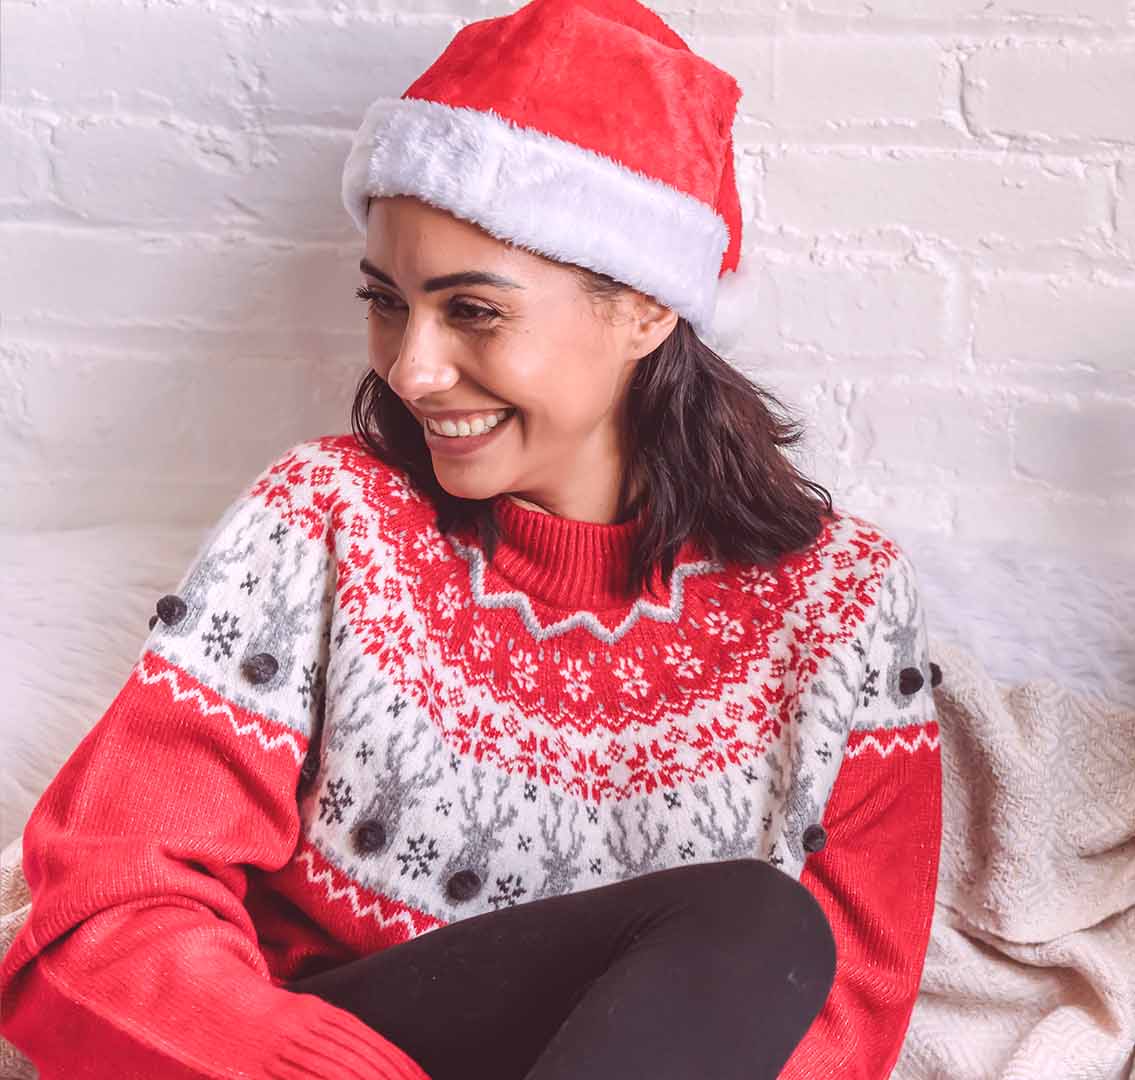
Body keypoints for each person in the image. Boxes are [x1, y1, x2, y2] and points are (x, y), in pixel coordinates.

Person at [0, 2, 942, 1077]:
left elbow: (841, 1025)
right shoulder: (321, 520)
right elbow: (105, 903)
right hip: (317, 1062)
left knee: (766, 932)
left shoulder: (842, 604)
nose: (410, 369)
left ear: (644, 310)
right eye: (388, 305)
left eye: (473, 313)